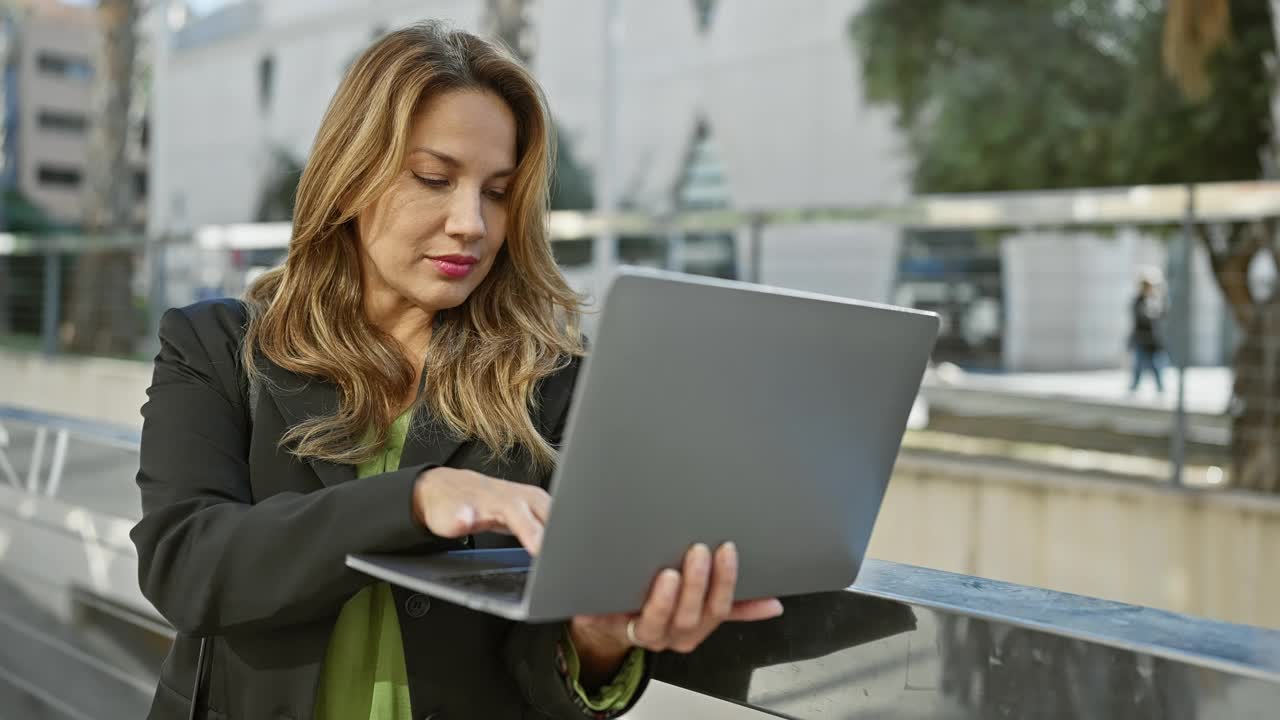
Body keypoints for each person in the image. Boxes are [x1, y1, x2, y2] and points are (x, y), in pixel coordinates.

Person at [130, 22, 783, 720]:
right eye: (435, 179)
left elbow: (542, 662)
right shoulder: (215, 347)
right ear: (352, 176)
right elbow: (187, 564)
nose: (471, 222)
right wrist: (415, 500)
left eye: (497, 192)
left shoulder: (553, 384)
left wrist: (597, 640)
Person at [1129, 273, 1167, 394]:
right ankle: (1135, 386)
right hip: (1142, 337)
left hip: (1152, 339)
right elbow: (1142, 318)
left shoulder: (1153, 300)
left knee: (1155, 364)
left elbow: (1161, 315)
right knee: (1140, 364)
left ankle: (1159, 387)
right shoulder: (1139, 301)